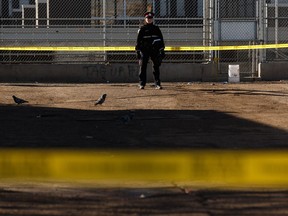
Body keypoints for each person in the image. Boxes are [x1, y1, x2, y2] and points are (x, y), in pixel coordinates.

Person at [135, 12, 165, 90]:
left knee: (156, 67)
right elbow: (138, 41)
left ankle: (157, 84)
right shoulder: (142, 29)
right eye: (148, 18)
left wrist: (162, 50)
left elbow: (161, 40)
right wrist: (137, 51)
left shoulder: (156, 29)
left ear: (152, 19)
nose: (149, 20)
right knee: (143, 67)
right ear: (145, 19)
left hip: (154, 50)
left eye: (150, 18)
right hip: (144, 50)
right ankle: (142, 84)